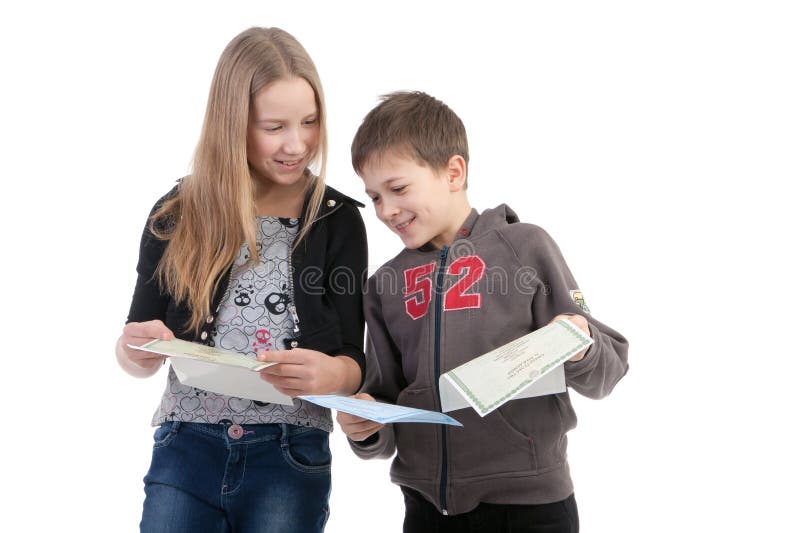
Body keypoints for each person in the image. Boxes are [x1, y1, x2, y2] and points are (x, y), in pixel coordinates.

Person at [337, 91, 629, 533]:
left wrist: (579, 346)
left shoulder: (525, 247)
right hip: (426, 510)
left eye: (397, 189)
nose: (386, 210)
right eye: (374, 196)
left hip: (530, 509)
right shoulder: (384, 285)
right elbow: (386, 402)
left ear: (453, 172)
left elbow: (608, 368)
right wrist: (366, 427)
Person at [115, 27, 367, 533]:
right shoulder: (177, 214)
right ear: (233, 125)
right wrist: (136, 350)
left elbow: (355, 361)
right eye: (274, 127)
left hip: (289, 452)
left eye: (310, 122)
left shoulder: (335, 219)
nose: (297, 144)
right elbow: (134, 347)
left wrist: (334, 376)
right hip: (186, 445)